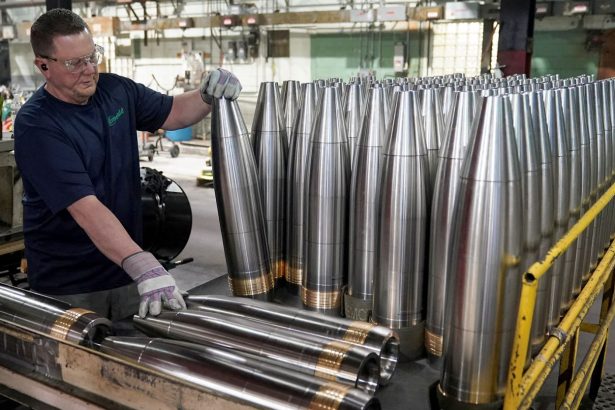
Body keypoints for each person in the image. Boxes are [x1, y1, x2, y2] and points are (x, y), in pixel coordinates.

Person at [13, 8, 241, 320]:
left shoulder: (115, 90)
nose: (89, 69)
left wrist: (206, 95)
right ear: (43, 66)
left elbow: (173, 112)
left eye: (93, 56)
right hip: (69, 282)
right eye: (74, 63)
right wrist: (143, 263)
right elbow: (85, 208)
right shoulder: (37, 124)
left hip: (125, 270)